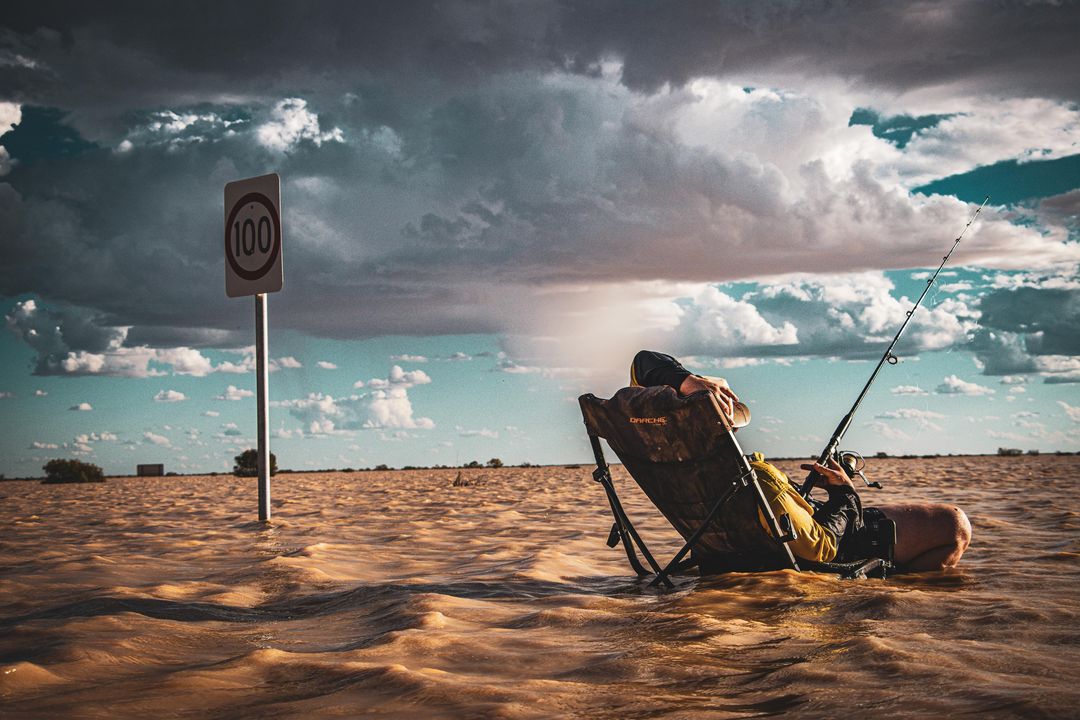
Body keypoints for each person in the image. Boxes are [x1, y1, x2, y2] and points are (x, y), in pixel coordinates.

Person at [630, 350, 972, 571]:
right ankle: (894, 578)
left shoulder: (663, 456)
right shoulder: (754, 478)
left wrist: (684, 381)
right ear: (725, 424)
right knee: (954, 525)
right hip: (830, 550)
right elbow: (821, 547)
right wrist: (845, 496)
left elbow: (643, 361)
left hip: (737, 545)